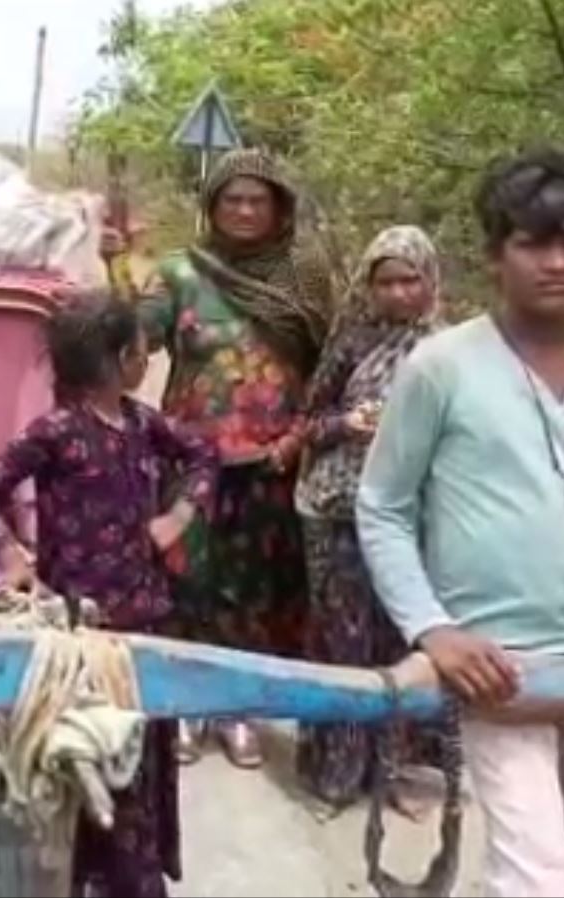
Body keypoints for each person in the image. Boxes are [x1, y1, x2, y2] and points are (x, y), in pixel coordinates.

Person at [355, 146, 564, 898]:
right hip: (493, 667)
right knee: (538, 875)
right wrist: (433, 630)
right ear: (494, 256)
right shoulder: (440, 367)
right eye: (533, 242)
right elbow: (381, 507)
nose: (557, 262)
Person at [0, 295, 219, 898]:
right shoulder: (58, 431)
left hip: (148, 624)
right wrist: (9, 556)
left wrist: (178, 517)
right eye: (141, 349)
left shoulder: (141, 422)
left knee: (143, 765)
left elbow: (205, 454)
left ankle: (130, 877)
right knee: (96, 767)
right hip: (83, 635)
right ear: (120, 358)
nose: (146, 358)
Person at [119, 148, 333, 768]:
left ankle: (240, 710)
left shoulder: (304, 274)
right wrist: (114, 265)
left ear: (279, 209)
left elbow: (329, 367)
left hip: (275, 459)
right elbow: (135, 344)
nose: (244, 210)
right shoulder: (181, 271)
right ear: (211, 207)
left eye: (257, 201)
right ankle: (185, 708)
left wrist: (302, 435)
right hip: (193, 460)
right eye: (231, 199)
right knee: (188, 582)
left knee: (256, 591)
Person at [293, 225, 450, 812]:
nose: (399, 294)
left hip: (415, 518)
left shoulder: (449, 349)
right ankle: (335, 769)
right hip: (337, 509)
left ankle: (391, 769)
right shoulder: (352, 341)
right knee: (341, 640)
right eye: (386, 282)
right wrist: (345, 425)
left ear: (431, 281)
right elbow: (308, 420)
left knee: (399, 643)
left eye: (410, 280)